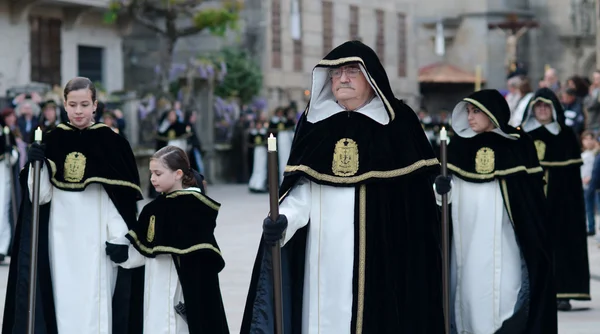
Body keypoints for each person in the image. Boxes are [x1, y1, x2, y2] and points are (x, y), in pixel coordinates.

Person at [241, 40, 444, 333]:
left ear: (372, 78)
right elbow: (301, 191)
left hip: (384, 255)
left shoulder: (399, 123)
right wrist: (283, 219)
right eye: (336, 73)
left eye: (352, 71)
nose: (342, 78)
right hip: (321, 258)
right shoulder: (315, 125)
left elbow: (418, 198)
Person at [2, 77, 144, 334]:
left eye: (85, 104)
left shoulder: (113, 143)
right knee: (62, 302)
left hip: (98, 241)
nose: (79, 110)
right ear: (64, 105)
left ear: (95, 105)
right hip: (61, 242)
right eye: (73, 104)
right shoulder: (51, 139)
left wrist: (120, 238)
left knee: (96, 303)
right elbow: (40, 196)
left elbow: (120, 199)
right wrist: (37, 167)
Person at [434, 89, 556, 333]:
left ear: (493, 113)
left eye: (476, 111)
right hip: (466, 240)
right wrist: (440, 189)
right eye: (468, 111)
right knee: (468, 294)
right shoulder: (458, 148)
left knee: (507, 292)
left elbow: (529, 200)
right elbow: (444, 197)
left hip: (506, 241)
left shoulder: (517, 145)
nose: (470, 117)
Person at [107, 145, 229, 333]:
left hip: (183, 288)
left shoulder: (196, 206)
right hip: (156, 285)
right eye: (151, 173)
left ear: (178, 173)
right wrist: (124, 255)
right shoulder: (153, 209)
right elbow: (148, 249)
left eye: (158, 173)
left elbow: (197, 258)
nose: (152, 179)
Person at [521, 87, 590, 311]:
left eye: (546, 106)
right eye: (538, 106)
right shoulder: (524, 135)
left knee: (561, 247)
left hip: (561, 204)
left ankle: (563, 292)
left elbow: (571, 179)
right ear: (532, 109)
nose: (542, 110)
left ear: (553, 109)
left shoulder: (565, 135)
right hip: (530, 204)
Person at [0, 128, 18, 263]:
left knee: (2, 211)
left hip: (2, 171)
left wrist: (9, 151)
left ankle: (2, 247)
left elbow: (13, 157)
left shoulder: (5, 132)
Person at [580, 131, 599, 236]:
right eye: (585, 139)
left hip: (595, 185)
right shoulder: (581, 155)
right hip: (585, 186)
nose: (588, 142)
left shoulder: (596, 154)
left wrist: (591, 178)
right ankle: (590, 228)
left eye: (590, 139)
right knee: (588, 208)